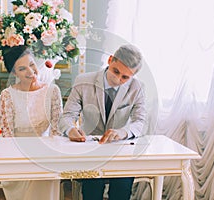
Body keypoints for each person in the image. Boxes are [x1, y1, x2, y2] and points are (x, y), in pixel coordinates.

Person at [58, 44, 147, 200]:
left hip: (121, 151)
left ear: (133, 76)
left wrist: (123, 132)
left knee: (122, 189)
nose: (118, 79)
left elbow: (140, 121)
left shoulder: (138, 88)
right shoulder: (83, 81)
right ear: (110, 60)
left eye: (125, 77)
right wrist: (71, 129)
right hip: (90, 151)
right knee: (92, 189)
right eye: (116, 71)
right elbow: (66, 117)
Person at [0, 45, 63, 200]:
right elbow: (6, 135)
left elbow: (57, 130)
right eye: (22, 69)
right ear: (14, 73)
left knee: (46, 170)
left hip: (46, 153)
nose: (30, 71)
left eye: (32, 64)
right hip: (16, 156)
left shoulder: (53, 91)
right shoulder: (7, 95)